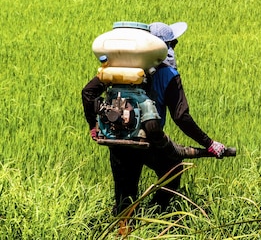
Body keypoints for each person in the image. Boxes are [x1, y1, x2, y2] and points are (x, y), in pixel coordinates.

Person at [81, 21, 227, 215]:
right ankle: (155, 216)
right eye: (172, 44)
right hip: (150, 139)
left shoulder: (118, 71)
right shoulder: (168, 74)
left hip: (117, 136)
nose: (174, 48)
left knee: (124, 196)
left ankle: (124, 230)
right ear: (163, 47)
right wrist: (209, 143)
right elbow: (181, 116)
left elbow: (88, 93)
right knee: (173, 170)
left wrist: (94, 125)